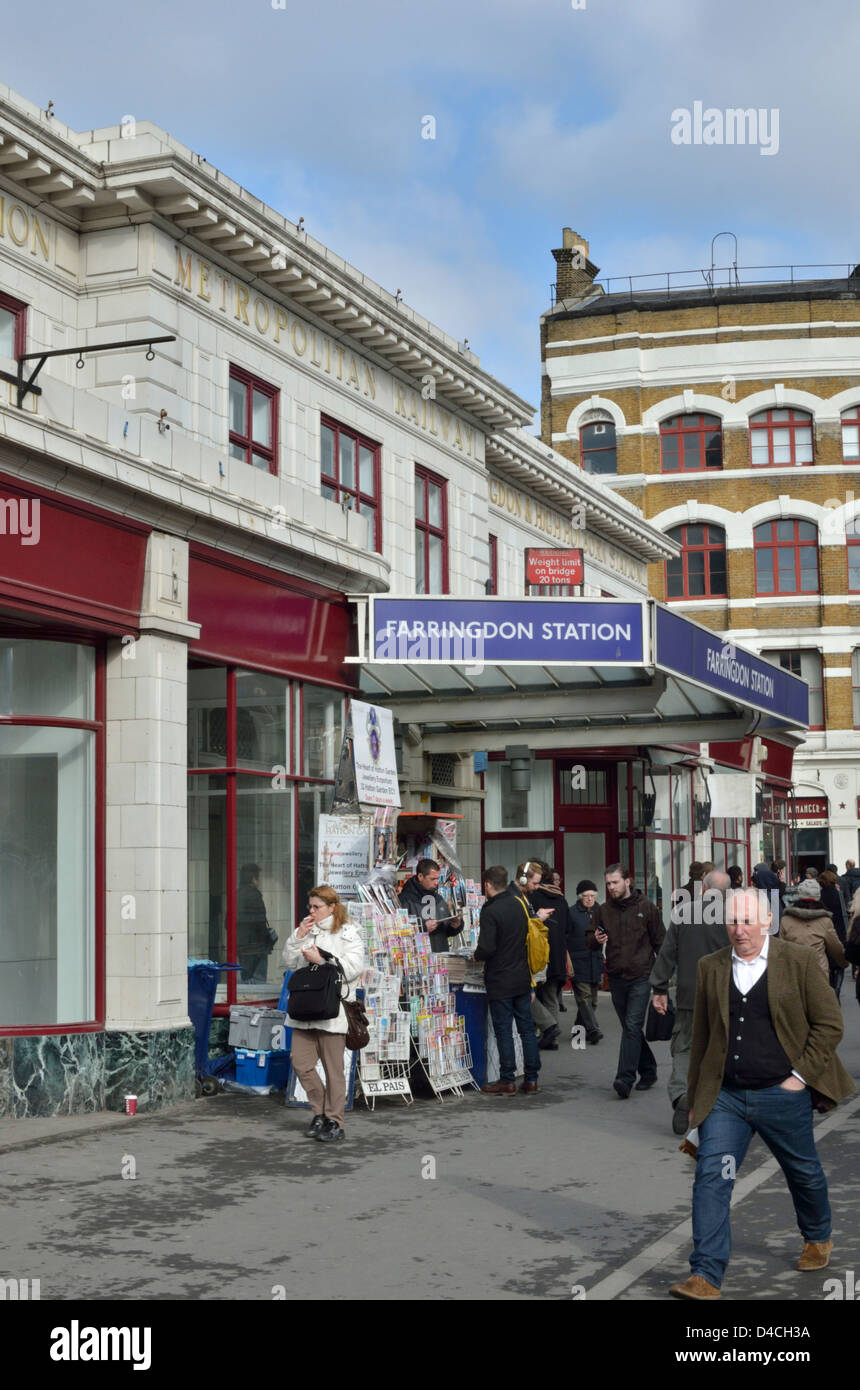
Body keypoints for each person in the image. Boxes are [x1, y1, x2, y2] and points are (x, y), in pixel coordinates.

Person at [669, 887, 855, 1301]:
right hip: (727, 1097)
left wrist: (800, 1077)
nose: (740, 930)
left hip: (782, 1093)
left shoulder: (799, 962)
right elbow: (703, 1037)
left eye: (748, 921)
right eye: (733, 922)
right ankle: (705, 1275)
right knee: (712, 1177)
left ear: (768, 921)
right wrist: (698, 1095)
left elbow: (829, 1025)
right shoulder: (711, 966)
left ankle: (817, 1236)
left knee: (802, 1172)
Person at [650, 869, 731, 1135]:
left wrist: (659, 988)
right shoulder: (734, 916)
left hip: (689, 994)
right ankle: (718, 1109)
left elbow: (667, 952)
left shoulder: (685, 912)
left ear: (704, 889)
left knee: (684, 1048)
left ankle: (682, 1094)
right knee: (721, 1049)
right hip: (725, 995)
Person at [282, 885, 365, 1142]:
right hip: (305, 1008)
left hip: (333, 1010)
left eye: (317, 907)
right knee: (301, 1062)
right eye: (310, 907)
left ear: (332, 907)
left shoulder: (348, 932)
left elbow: (353, 968)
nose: (312, 911)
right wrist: (297, 937)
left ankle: (334, 1121)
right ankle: (319, 1112)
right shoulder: (308, 930)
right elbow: (289, 962)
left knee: (333, 1069)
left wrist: (323, 960)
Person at [588, 863, 665, 1099]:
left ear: (627, 881)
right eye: (608, 883)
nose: (611, 887)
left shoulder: (647, 908)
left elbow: (661, 943)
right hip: (616, 976)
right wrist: (595, 938)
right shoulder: (603, 910)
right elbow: (589, 939)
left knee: (632, 1026)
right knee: (629, 1028)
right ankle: (649, 1070)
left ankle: (624, 1078)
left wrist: (662, 981)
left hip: (641, 975)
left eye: (615, 882)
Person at [475, 865, 541, 1095]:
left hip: (500, 978)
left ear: (488, 885)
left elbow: (487, 948)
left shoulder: (490, 910)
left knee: (503, 1030)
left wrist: (476, 954)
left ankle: (507, 1079)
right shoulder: (519, 904)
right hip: (521, 977)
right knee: (526, 1030)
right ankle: (531, 1078)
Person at [529, 862, 571, 1050]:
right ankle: (551, 1037)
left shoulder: (533, 897)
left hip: (539, 955)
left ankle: (544, 1029)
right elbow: (569, 927)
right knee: (551, 995)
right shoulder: (561, 899)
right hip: (558, 955)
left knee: (529, 993)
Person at [779, 878, 848, 986]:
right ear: (818, 897)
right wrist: (843, 962)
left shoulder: (786, 920)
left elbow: (780, 950)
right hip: (818, 973)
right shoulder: (824, 921)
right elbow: (836, 948)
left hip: (793, 974)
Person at [567, 880, 604, 1045]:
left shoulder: (600, 911)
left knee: (593, 1001)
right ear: (580, 897)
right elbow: (565, 936)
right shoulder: (571, 913)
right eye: (586, 896)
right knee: (584, 998)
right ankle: (594, 1029)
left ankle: (578, 1029)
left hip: (595, 960)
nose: (590, 899)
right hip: (577, 961)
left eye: (592, 896)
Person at [398, 858, 463, 952]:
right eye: (432, 879)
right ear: (420, 876)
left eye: (438, 878)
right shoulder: (404, 900)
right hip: (417, 958)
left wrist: (456, 925)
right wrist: (422, 928)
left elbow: (447, 931)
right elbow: (398, 932)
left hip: (440, 957)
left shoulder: (439, 899)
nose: (436, 882)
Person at [237, 862, 274, 984]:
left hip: (241, 944)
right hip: (256, 946)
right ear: (254, 878)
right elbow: (259, 922)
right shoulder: (254, 895)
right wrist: (266, 940)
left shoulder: (236, 894)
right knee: (258, 981)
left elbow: (228, 922)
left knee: (245, 978)